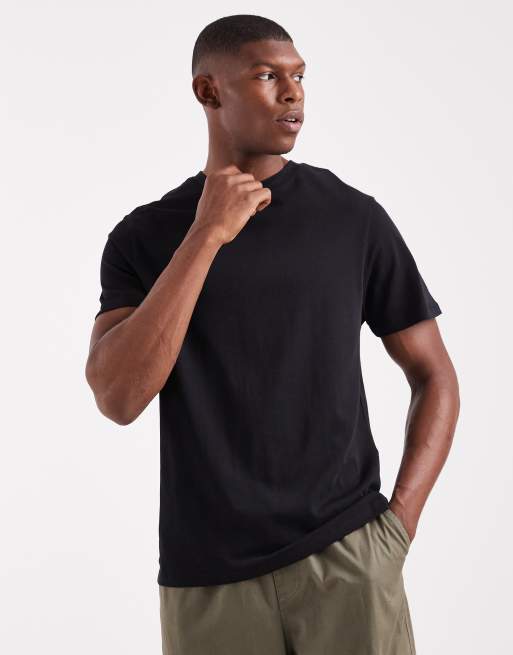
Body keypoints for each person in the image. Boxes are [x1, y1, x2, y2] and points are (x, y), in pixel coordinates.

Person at [85, 13, 460, 655]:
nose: (293, 94)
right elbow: (118, 398)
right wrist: (207, 233)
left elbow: (434, 374)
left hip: (348, 558)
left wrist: (398, 526)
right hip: (207, 579)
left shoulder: (351, 218)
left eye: (299, 77)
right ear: (209, 91)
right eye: (267, 76)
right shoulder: (143, 237)